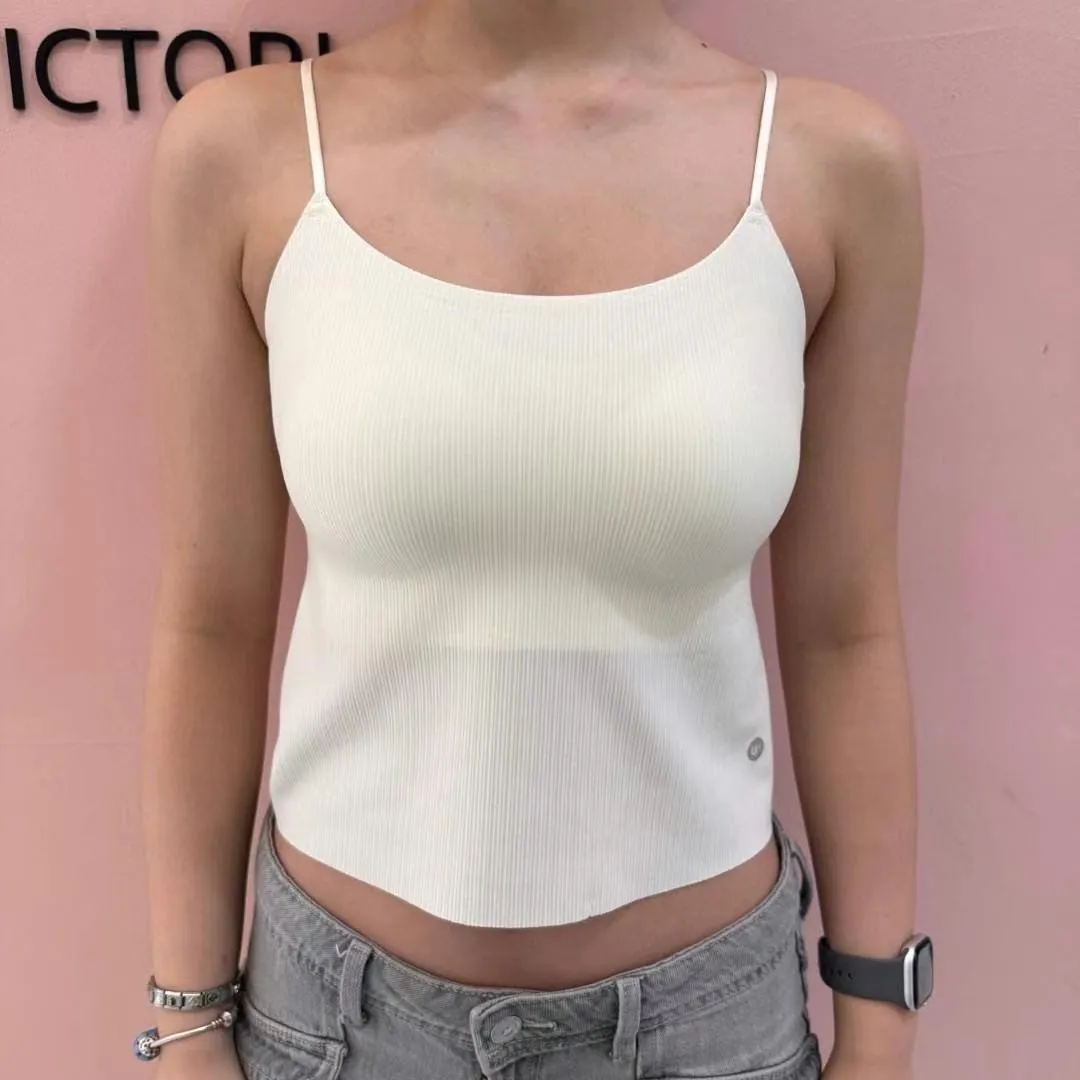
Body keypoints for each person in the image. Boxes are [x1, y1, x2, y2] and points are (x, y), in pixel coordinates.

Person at [138, 1, 932, 1078]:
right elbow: (213, 622)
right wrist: (186, 1027)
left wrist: (882, 1027)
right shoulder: (246, 152)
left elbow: (845, 631)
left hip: (712, 1034)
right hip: (337, 1029)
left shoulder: (829, 166)